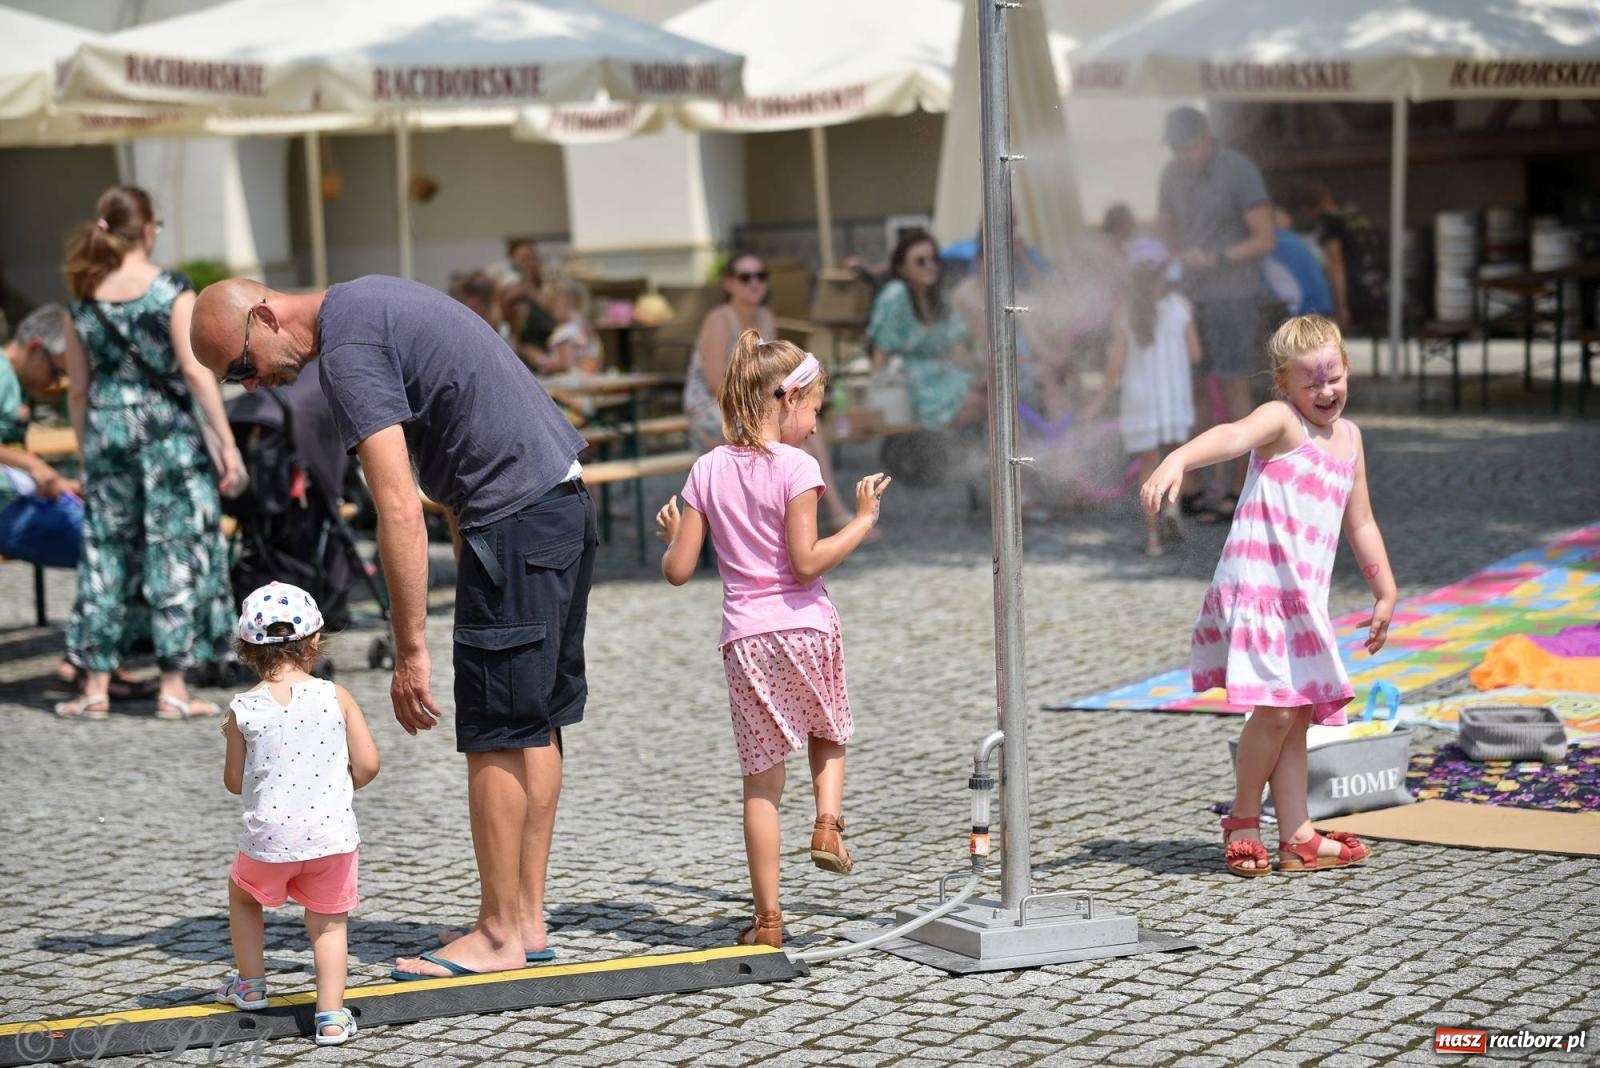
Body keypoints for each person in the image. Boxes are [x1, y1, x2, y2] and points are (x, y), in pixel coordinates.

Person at [189, 274, 595, 980]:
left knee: (499, 728)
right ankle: (524, 918)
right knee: (536, 719)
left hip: (515, 517)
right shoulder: (367, 301)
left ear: (263, 315)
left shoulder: (346, 349)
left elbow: (398, 507)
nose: (249, 386)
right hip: (557, 501)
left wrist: (410, 652)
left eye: (241, 366)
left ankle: (498, 932)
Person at [655, 332, 888, 947]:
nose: (814, 426)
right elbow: (807, 563)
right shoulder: (799, 468)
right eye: (814, 409)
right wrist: (861, 523)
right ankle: (828, 823)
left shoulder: (705, 468)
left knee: (761, 785)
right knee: (828, 730)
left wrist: (674, 534)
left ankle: (767, 922)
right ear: (787, 400)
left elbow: (680, 572)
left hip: (747, 640)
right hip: (806, 626)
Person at [1141, 314, 1395, 877]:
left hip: (1303, 601)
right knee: (1279, 709)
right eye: (1311, 383)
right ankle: (1242, 818)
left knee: (1298, 712)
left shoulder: (1350, 439)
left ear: (1347, 369)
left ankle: (1297, 833)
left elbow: (1362, 523)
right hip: (1258, 589)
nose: (1325, 391)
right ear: (1284, 384)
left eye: (1333, 378)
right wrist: (1178, 458)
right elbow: (1232, 435)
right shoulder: (1283, 422)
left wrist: (1385, 589)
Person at [53, 185, 246, 722]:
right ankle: (173, 687)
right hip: (167, 437)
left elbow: (77, 388)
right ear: (147, 230)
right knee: (174, 549)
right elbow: (192, 369)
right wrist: (226, 441)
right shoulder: (170, 291)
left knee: (104, 555)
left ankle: (94, 685)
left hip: (108, 432)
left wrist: (86, 453)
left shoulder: (81, 300)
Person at [217, 581, 378, 1046]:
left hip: (269, 838)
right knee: (328, 922)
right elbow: (367, 765)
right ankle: (330, 1017)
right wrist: (340, 785)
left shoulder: (242, 708)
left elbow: (234, 783)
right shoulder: (336, 696)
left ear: (246, 647)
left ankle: (250, 985)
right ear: (314, 642)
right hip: (331, 836)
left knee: (245, 898)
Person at [1155, 106, 1275, 524]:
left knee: (1235, 387)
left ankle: (1242, 490)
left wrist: (1218, 256)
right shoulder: (1170, 175)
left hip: (1234, 295)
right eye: (1177, 149)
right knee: (1195, 393)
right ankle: (1199, 488)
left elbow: (1264, 238)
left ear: (1208, 137)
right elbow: (1165, 230)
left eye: (1190, 147)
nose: (1185, 156)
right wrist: (1168, 258)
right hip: (1191, 297)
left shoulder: (1238, 170)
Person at [684, 252, 851, 529]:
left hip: (754, 405)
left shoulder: (764, 316)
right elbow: (716, 383)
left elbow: (772, 373)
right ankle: (805, 526)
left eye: (760, 276)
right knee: (795, 443)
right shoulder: (720, 319)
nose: (754, 283)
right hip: (716, 410)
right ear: (729, 284)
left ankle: (826, 514)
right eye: (745, 277)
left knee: (807, 424)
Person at [1089, 238, 1200, 557]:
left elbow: (1115, 365)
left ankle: (1152, 538)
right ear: (1165, 273)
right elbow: (1195, 354)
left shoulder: (1125, 312)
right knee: (1177, 456)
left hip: (1140, 398)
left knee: (1148, 464)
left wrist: (1098, 399)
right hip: (1174, 395)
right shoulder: (1180, 306)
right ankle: (1173, 509)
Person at [866, 231, 984, 433]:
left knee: (994, 391)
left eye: (934, 259)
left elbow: (959, 351)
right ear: (902, 268)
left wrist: (984, 368)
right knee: (985, 404)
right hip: (914, 386)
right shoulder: (895, 295)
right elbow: (881, 353)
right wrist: (878, 399)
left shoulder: (941, 297)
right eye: (920, 261)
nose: (930, 266)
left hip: (948, 377)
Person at [541, 274, 601, 376]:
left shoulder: (565, 332)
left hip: (570, 383)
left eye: (552, 307)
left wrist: (548, 367)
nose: (550, 313)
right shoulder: (583, 326)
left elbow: (566, 363)